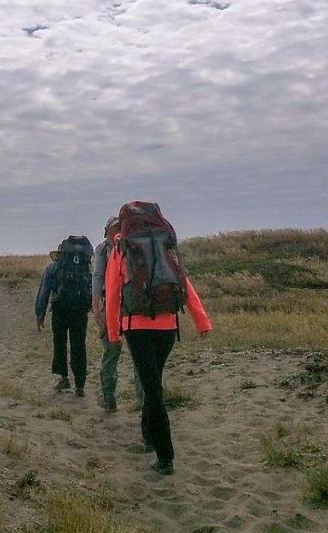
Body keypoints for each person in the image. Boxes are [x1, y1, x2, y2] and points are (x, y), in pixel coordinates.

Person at [105, 202, 211, 476]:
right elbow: (183, 282)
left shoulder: (121, 248)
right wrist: (201, 320)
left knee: (153, 390)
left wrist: (114, 333)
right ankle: (148, 436)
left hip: (136, 328)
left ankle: (165, 457)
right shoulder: (164, 245)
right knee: (153, 381)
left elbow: (114, 294)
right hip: (167, 326)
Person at [92, 216, 144, 412]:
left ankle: (109, 398)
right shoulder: (135, 245)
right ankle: (143, 398)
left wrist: (96, 305)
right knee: (138, 356)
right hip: (134, 306)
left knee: (111, 353)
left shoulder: (103, 249)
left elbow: (98, 276)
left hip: (112, 307)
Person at [35, 239, 92, 396]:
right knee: (79, 346)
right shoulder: (85, 267)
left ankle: (63, 378)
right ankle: (80, 385)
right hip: (80, 311)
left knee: (60, 343)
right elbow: (91, 287)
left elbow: (44, 292)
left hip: (60, 310)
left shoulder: (53, 268)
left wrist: (40, 315)